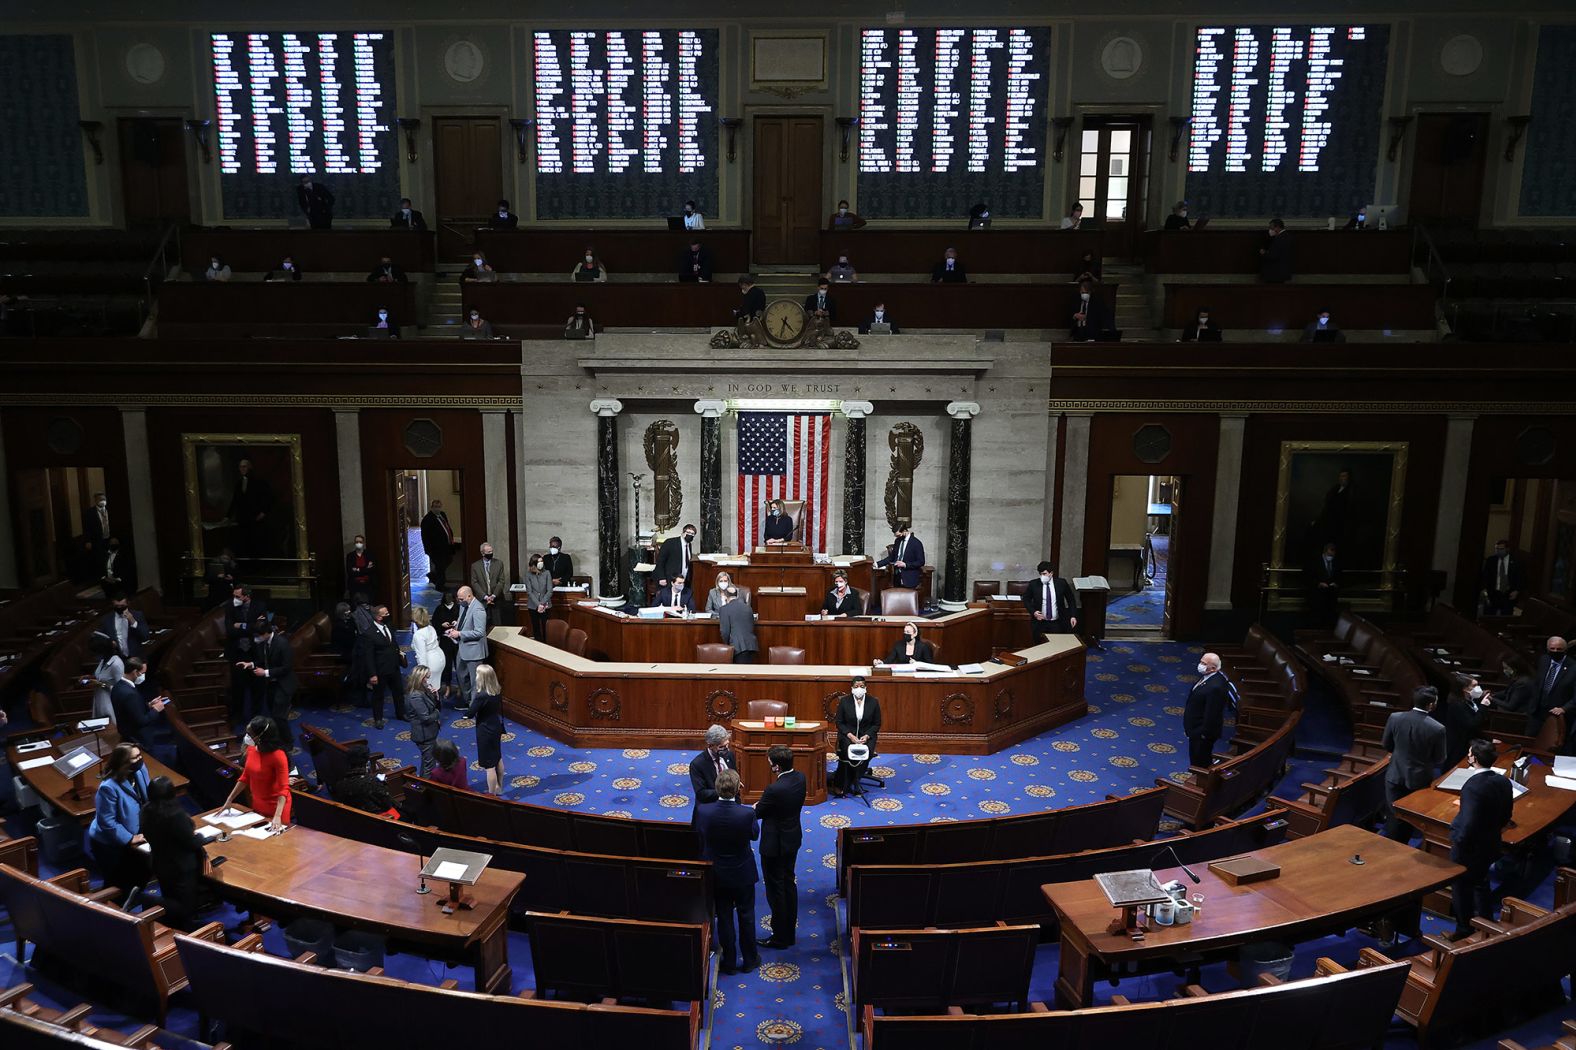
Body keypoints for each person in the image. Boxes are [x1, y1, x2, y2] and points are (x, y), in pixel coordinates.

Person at [1447, 739, 1514, 941]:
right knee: (1481, 882)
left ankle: (1463, 928)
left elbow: (1468, 823)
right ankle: (1485, 922)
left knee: (1460, 887)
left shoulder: (1473, 786)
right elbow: (1506, 815)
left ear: (1473, 759)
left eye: (1469, 753)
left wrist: (1458, 842)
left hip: (1470, 848)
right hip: (1490, 842)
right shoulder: (1503, 781)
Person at [693, 768, 758, 975]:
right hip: (742, 872)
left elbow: (697, 833)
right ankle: (749, 960)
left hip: (717, 873)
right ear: (739, 788)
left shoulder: (703, 810)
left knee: (724, 916)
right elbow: (754, 835)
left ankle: (729, 962)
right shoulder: (747, 813)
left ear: (716, 787)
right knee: (746, 916)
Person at [139, 775, 212, 930]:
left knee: (170, 897)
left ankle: (176, 928)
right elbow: (191, 842)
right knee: (185, 907)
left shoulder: (146, 810)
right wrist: (203, 838)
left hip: (160, 863)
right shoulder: (175, 815)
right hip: (181, 867)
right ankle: (146, 900)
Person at [754, 745, 806, 949]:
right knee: (788, 883)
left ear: (776, 766)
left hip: (774, 846)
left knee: (776, 891)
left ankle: (780, 937)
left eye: (769, 762)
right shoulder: (800, 778)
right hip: (792, 839)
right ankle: (788, 932)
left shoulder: (774, 789)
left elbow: (758, 813)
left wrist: (757, 807)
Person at [1382, 685, 1448, 841]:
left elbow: (1386, 745)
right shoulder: (1438, 728)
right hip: (1420, 778)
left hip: (1395, 774)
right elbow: (1439, 758)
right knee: (1411, 816)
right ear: (1431, 705)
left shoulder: (1395, 717)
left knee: (1393, 814)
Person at [87, 742, 153, 895]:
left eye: (140, 755)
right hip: (108, 842)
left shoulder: (140, 770)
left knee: (141, 874)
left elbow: (147, 797)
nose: (140, 759)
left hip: (134, 833)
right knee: (117, 883)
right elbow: (107, 822)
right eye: (135, 757)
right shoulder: (108, 787)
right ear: (123, 762)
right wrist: (129, 838)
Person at [222, 716, 292, 831]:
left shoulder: (278, 756)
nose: (246, 737)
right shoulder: (251, 750)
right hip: (258, 803)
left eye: (250, 734)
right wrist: (229, 799)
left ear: (261, 736)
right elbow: (245, 777)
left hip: (277, 807)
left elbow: (283, 788)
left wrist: (278, 816)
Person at [110, 658, 174, 762]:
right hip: (138, 739)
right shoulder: (130, 693)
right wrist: (156, 710)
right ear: (135, 672)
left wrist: (149, 705)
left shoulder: (118, 687)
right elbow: (141, 721)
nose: (143, 675)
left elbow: (130, 709)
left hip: (126, 734)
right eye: (143, 673)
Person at [243, 616, 297, 729]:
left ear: (267, 632)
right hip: (271, 684)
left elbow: (286, 667)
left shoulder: (282, 643)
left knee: (279, 717)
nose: (257, 638)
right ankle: (277, 741)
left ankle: (288, 742)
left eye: (259, 635)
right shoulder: (264, 643)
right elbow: (263, 660)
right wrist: (251, 664)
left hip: (283, 685)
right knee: (273, 714)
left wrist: (265, 672)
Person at [357, 603, 403, 729]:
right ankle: (378, 719)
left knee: (398, 692)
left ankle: (401, 714)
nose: (389, 615)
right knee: (378, 696)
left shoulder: (388, 625)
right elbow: (369, 656)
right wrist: (372, 674)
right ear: (378, 617)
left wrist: (400, 656)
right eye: (386, 614)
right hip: (380, 670)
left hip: (393, 667)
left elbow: (393, 643)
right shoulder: (369, 634)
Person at [833, 676, 881, 796]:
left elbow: (876, 724)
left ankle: (856, 781)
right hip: (848, 734)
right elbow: (839, 722)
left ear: (866, 688)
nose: (859, 689)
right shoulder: (844, 701)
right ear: (852, 688)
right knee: (849, 752)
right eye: (856, 686)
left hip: (866, 735)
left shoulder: (873, 701)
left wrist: (867, 736)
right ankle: (844, 782)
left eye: (862, 686)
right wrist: (850, 736)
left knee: (866, 752)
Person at [1183, 654, 1230, 768]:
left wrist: (1202, 734)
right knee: (1195, 758)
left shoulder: (1216, 687)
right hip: (1195, 729)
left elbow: (1212, 714)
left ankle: (1202, 783)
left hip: (1202, 734)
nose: (1200, 665)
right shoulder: (1208, 677)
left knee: (1200, 761)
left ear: (1213, 668)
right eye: (1201, 662)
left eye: (1204, 664)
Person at [224, 583, 261, 723]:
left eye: (237, 596)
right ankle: (237, 717)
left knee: (257, 686)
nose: (234, 599)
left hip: (254, 652)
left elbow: (260, 628)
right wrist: (250, 626)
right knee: (237, 687)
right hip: (237, 652)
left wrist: (241, 625)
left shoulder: (259, 606)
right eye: (233, 596)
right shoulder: (230, 606)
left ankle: (256, 716)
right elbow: (230, 630)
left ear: (246, 596)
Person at [1525, 636, 1574, 740]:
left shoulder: (1573, 667)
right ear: (1548, 649)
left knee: (1549, 745)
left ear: (1565, 650)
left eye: (1559, 649)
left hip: (1556, 716)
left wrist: (1564, 708)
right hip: (1536, 712)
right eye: (1552, 649)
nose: (1555, 651)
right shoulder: (1544, 660)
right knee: (1530, 740)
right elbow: (1537, 683)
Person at [331, 743, 399, 817]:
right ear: (367, 762)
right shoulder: (372, 782)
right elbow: (387, 805)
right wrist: (383, 784)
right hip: (378, 820)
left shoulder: (340, 784)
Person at [1435, 678, 1489, 768]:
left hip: (1467, 741)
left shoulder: (1471, 701)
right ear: (1465, 689)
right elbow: (1472, 724)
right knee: (1454, 768)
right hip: (1458, 744)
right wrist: (1483, 706)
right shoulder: (1457, 705)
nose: (1478, 688)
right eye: (1474, 686)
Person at [469, 664, 506, 795]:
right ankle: (499, 787)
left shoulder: (481, 696)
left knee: (489, 765)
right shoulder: (497, 690)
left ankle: (491, 795)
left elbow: (470, 712)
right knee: (498, 757)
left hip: (485, 730)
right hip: (496, 727)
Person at [450, 585, 489, 705]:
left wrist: (460, 634)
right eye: (458, 599)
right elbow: (464, 620)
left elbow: (479, 632)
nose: (459, 601)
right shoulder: (464, 605)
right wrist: (457, 624)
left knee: (474, 682)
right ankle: (468, 701)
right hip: (462, 648)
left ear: (469, 596)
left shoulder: (478, 609)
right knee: (461, 676)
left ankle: (474, 707)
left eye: (461, 599)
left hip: (474, 651)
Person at [228, 458, 274, 557]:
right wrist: (227, 516)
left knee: (256, 543)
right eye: (240, 467)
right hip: (243, 519)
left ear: (249, 467)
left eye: (244, 466)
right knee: (244, 542)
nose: (242, 469)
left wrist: (263, 512)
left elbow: (268, 498)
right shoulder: (239, 483)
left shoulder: (259, 482)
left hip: (256, 518)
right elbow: (235, 501)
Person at [1023, 561, 1078, 638]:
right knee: (1039, 645)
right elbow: (1026, 599)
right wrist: (1033, 612)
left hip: (1057, 622)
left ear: (1051, 573)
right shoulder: (1034, 584)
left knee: (1056, 645)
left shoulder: (1061, 583)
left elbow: (1071, 599)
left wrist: (1073, 615)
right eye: (1040, 574)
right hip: (1040, 622)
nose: (1042, 576)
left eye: (1044, 574)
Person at [406, 664, 443, 777]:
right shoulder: (415, 696)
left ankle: (422, 785)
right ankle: (426, 789)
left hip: (429, 732)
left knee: (428, 761)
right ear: (420, 678)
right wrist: (437, 713)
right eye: (427, 677)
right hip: (424, 735)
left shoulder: (424, 690)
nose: (428, 680)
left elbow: (433, 706)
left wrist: (436, 696)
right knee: (430, 766)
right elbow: (426, 718)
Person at [689, 724, 735, 811]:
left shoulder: (730, 755)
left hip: (730, 805)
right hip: (709, 807)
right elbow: (701, 794)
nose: (726, 749)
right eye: (721, 747)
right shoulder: (697, 764)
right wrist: (726, 791)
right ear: (710, 746)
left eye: (727, 745)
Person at [409, 607, 447, 702]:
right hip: (440, 658)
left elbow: (422, 655)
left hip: (430, 662)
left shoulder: (418, 635)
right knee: (435, 687)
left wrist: (423, 673)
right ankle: (436, 706)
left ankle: (432, 709)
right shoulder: (430, 627)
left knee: (428, 689)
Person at [87, 631, 124, 724]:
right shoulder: (103, 661)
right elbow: (102, 677)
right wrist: (89, 677)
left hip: (111, 704)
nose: (95, 655)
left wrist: (102, 684)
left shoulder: (116, 664)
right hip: (100, 701)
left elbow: (122, 689)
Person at [1480, 539, 1523, 616]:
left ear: (1507, 549)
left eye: (1501, 549)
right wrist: (1484, 590)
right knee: (1488, 616)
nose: (1498, 551)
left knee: (1505, 617)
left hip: (1508, 594)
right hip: (1493, 593)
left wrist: (1517, 591)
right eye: (1496, 549)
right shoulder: (1491, 560)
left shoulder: (1516, 562)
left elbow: (1521, 578)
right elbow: (1485, 576)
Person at [100, 593, 150, 659]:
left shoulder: (137, 615)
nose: (119, 608)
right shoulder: (107, 619)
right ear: (113, 604)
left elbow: (145, 637)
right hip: (115, 658)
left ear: (128, 603)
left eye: (122, 605)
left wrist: (133, 621)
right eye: (117, 606)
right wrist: (110, 643)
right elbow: (102, 639)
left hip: (135, 657)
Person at [420, 499, 456, 589]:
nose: (437, 509)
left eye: (439, 507)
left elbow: (446, 527)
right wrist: (428, 550)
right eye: (435, 507)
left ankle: (433, 575)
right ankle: (440, 585)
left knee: (449, 560)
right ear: (431, 507)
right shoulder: (427, 519)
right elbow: (425, 536)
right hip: (436, 548)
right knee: (440, 566)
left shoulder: (442, 515)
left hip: (446, 546)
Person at [470, 542, 508, 627]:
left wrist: (493, 595)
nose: (491, 554)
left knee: (497, 624)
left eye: (491, 551)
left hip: (496, 599)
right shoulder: (475, 566)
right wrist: (485, 597)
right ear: (482, 553)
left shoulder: (499, 563)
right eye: (488, 552)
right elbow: (474, 582)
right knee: (483, 624)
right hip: (482, 600)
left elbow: (501, 581)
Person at [717, 586, 758, 663]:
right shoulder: (747, 607)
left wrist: (728, 647)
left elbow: (725, 632)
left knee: (738, 673)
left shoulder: (724, 609)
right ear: (737, 595)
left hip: (737, 648)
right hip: (751, 645)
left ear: (725, 597)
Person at [877, 524, 924, 589]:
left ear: (904, 531)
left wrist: (905, 565)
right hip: (897, 578)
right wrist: (877, 564)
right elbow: (892, 557)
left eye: (898, 535)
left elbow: (921, 561)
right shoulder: (898, 541)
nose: (897, 537)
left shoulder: (916, 543)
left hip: (909, 579)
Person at [1305, 541, 1341, 625]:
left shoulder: (1336, 562)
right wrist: (1318, 583)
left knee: (1329, 619)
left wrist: (1336, 583)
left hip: (1331, 596)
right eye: (1329, 555)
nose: (1330, 557)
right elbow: (1308, 577)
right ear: (1324, 552)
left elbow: (1340, 577)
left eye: (1332, 555)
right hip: (1317, 595)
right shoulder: (1315, 561)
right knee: (1316, 619)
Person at [432, 590, 461, 690]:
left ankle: (460, 687)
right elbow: (435, 622)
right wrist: (441, 625)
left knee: (459, 665)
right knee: (446, 665)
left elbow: (464, 621)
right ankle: (448, 686)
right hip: (445, 640)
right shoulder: (439, 609)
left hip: (457, 640)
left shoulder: (459, 608)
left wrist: (457, 623)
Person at [655, 523, 697, 589]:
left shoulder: (689, 545)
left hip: (684, 581)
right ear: (683, 532)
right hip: (670, 580)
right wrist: (661, 577)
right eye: (688, 532)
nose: (690, 535)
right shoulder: (670, 543)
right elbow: (660, 561)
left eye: (692, 534)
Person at [523, 554, 553, 641]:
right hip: (533, 605)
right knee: (536, 628)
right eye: (539, 561)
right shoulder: (528, 574)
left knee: (546, 628)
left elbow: (550, 590)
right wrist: (538, 604)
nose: (541, 563)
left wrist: (542, 603)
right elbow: (529, 591)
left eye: (542, 561)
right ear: (534, 563)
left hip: (546, 605)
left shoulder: (547, 573)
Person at [734, 275, 767, 346]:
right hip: (759, 319)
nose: (741, 288)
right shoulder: (761, 291)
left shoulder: (749, 294)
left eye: (741, 286)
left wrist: (737, 313)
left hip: (750, 322)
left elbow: (746, 309)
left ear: (745, 284)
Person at [1258, 218, 1292, 283]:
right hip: (1282, 271)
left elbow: (1273, 255)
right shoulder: (1288, 236)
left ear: (1277, 227)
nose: (1270, 230)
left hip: (1275, 272)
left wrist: (1264, 253)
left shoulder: (1279, 239)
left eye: (1271, 228)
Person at [803, 278, 835, 344]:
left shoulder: (831, 300)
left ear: (828, 288)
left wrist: (826, 313)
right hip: (813, 324)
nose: (823, 290)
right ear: (818, 288)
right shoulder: (810, 299)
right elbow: (806, 311)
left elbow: (834, 313)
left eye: (825, 289)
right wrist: (815, 312)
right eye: (821, 288)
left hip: (825, 324)